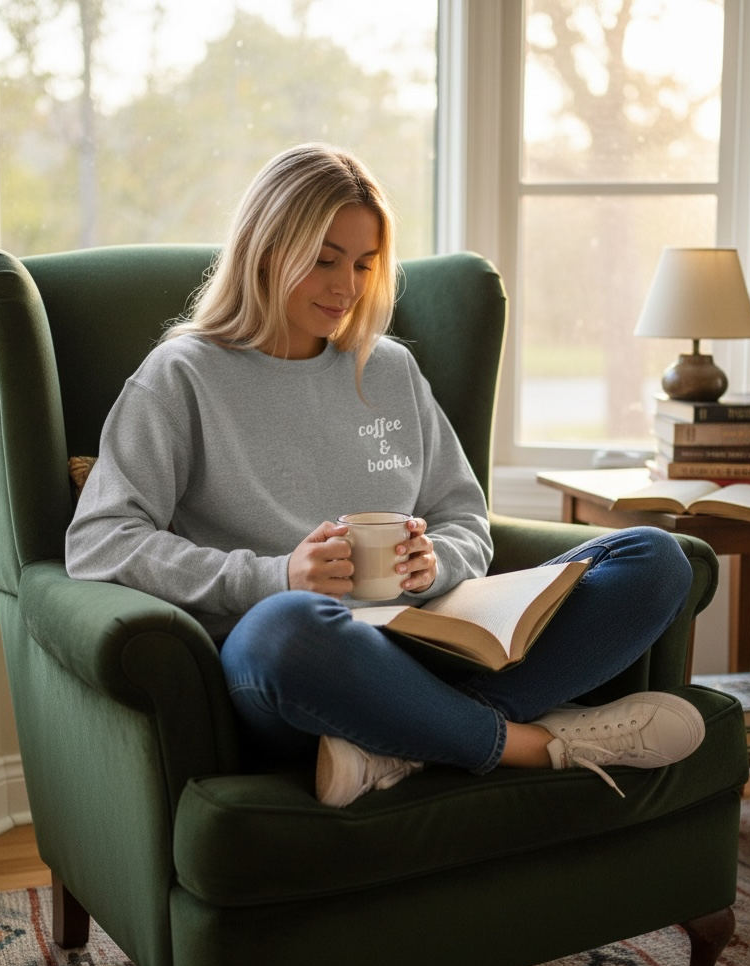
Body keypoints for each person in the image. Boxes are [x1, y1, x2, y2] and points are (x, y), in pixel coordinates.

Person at [66, 142, 705, 808]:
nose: (347, 287)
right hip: (300, 664)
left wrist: (435, 567)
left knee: (655, 558)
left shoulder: (391, 371)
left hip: (424, 644)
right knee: (287, 625)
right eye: (324, 260)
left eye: (365, 264)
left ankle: (395, 742)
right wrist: (277, 575)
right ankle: (537, 744)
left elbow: (463, 517)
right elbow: (100, 540)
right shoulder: (182, 377)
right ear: (264, 250)